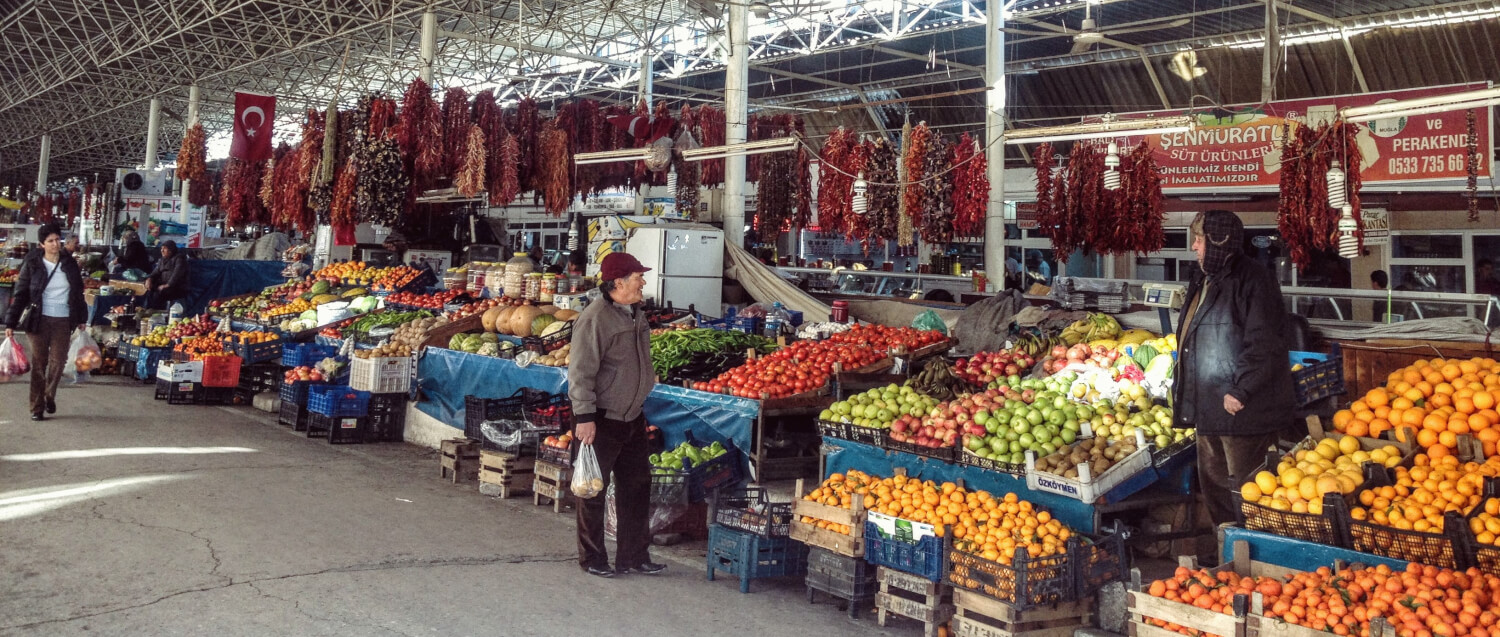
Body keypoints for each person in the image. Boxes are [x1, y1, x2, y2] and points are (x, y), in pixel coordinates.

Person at [1172, 210, 1296, 528]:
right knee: (1215, 489)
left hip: (1242, 409)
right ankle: (1225, 558)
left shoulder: (1254, 279)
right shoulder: (1204, 278)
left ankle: (1251, 559)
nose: (1194, 247)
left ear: (1217, 242)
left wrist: (1242, 389)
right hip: (1209, 403)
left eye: (1198, 240)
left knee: (1248, 490)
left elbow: (1265, 341)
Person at [567, 252, 665, 579]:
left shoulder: (635, 313)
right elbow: (580, 371)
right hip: (601, 417)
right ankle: (593, 558)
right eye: (639, 277)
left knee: (637, 486)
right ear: (619, 283)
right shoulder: (595, 318)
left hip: (632, 415)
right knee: (592, 489)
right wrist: (584, 416)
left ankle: (634, 555)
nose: (643, 282)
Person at [5, 223, 88, 421]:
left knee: (58, 362)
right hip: (38, 320)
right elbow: (21, 294)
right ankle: (36, 407)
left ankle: (49, 395)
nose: (54, 244)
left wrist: (82, 318)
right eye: (49, 241)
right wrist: (10, 322)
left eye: (57, 240)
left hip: (63, 319)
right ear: (41, 244)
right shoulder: (32, 263)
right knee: (39, 363)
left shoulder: (69, 263)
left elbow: (78, 292)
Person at [143, 240, 189, 310]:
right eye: (161, 248)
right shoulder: (162, 260)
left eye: (164, 248)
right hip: (163, 285)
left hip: (176, 287)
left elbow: (177, 274)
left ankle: (158, 313)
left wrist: (168, 285)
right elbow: (155, 272)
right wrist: (149, 279)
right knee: (149, 290)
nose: (162, 251)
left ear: (170, 250)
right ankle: (148, 312)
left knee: (158, 294)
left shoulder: (179, 259)